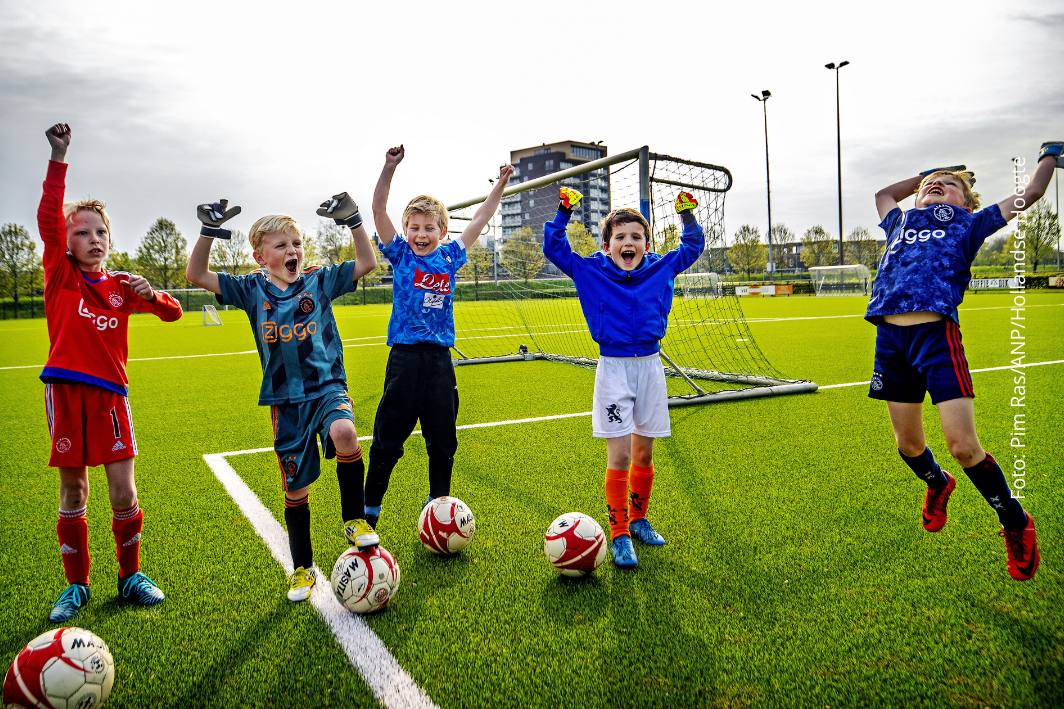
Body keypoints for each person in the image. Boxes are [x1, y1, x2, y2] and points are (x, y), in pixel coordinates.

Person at [866, 141, 1063, 581]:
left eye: (949, 184)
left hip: (936, 337)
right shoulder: (898, 221)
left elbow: (1029, 194)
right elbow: (883, 194)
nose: (938, 185)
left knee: (963, 446)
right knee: (909, 446)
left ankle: (1015, 521)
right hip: (890, 340)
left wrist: (1049, 157)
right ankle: (937, 483)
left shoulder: (969, 223)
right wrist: (927, 174)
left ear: (966, 200)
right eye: (931, 184)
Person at [185, 191, 377, 601]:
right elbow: (196, 274)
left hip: (328, 388)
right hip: (285, 402)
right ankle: (303, 569)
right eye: (281, 245)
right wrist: (208, 232)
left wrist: (355, 221)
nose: (292, 250)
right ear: (260, 257)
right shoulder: (251, 290)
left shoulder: (319, 280)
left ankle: (355, 520)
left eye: (296, 243)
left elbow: (367, 262)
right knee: (295, 490)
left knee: (345, 432)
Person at [39, 123, 184, 622]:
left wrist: (152, 294)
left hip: (111, 398)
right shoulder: (60, 276)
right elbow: (48, 221)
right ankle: (76, 586)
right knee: (74, 489)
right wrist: (60, 158)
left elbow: (173, 314)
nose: (93, 239)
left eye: (101, 232)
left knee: (124, 490)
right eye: (82, 232)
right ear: (67, 242)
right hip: (65, 391)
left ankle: (129, 577)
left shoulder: (122, 285)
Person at [542, 187, 705, 568]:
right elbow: (554, 248)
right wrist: (564, 211)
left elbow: (692, 248)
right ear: (607, 244)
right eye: (620, 237)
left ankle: (639, 519)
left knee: (644, 453)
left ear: (646, 245)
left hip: (650, 367)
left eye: (636, 237)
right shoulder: (590, 270)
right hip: (614, 370)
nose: (628, 243)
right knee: (620, 455)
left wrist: (687, 216)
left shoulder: (660, 267)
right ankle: (618, 534)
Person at [363, 145, 513, 531]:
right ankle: (369, 511)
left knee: (443, 440)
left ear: (442, 231)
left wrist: (500, 183)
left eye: (429, 228)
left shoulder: (450, 257)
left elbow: (482, 215)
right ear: (406, 230)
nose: (421, 234)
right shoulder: (400, 255)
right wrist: (389, 167)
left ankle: (438, 506)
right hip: (405, 360)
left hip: (440, 364)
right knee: (387, 441)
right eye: (414, 227)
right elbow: (378, 210)